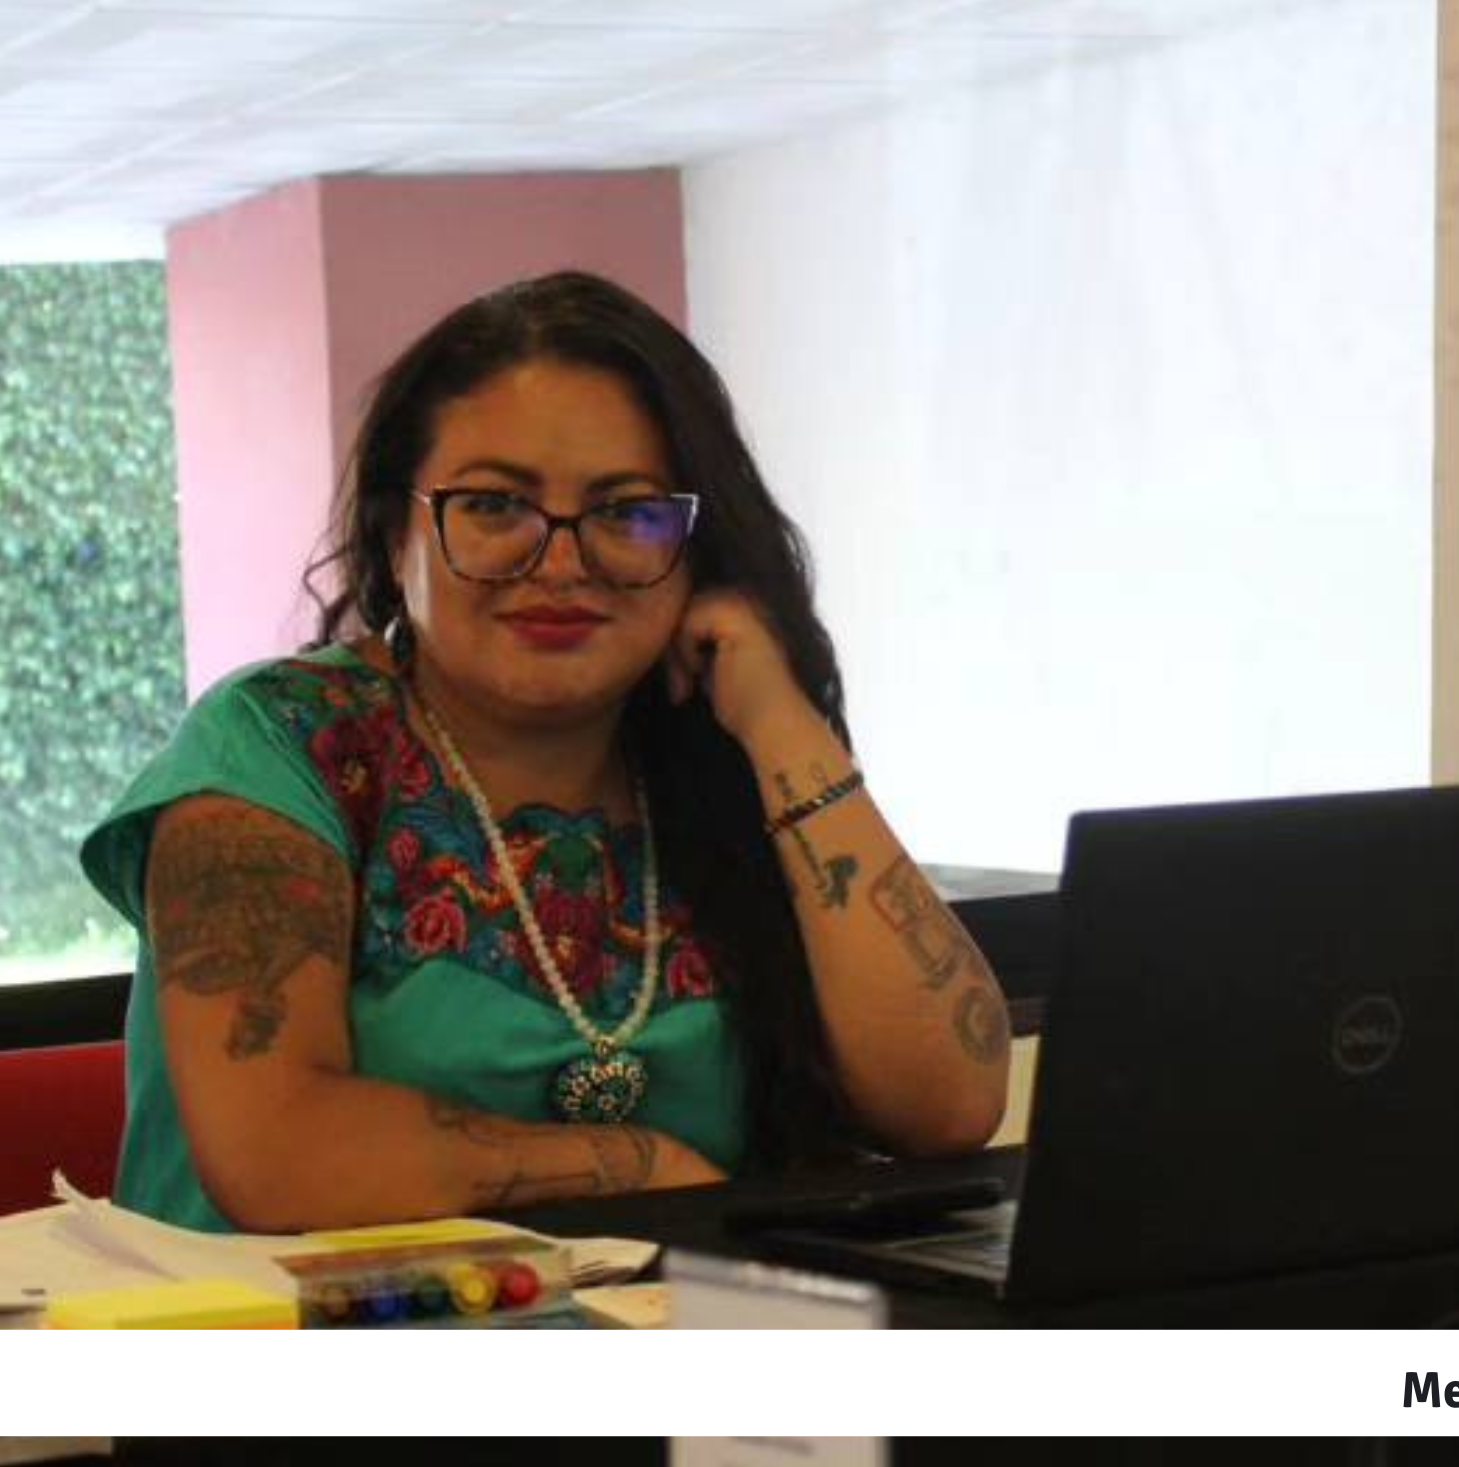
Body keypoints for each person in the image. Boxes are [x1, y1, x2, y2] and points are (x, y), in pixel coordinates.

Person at [82, 271, 1011, 1233]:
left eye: (627, 512)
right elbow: (281, 1152)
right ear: (396, 532)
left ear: (697, 549)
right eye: (493, 506)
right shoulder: (279, 743)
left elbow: (948, 1104)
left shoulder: (713, 765)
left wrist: (783, 725)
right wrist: (634, 1164)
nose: (561, 562)